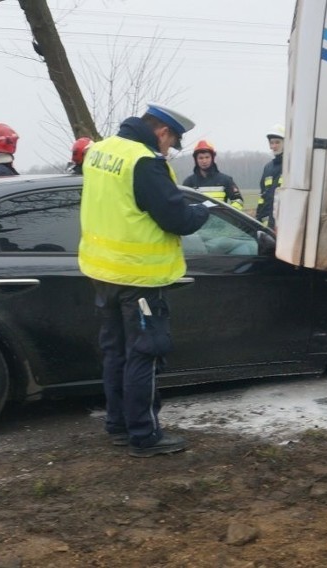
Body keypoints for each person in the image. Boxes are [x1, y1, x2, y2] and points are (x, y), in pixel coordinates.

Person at [78, 102, 210, 458]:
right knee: (145, 354)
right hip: (138, 277)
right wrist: (201, 212)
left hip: (102, 273)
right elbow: (176, 218)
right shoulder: (144, 161)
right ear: (163, 132)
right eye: (172, 142)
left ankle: (118, 426)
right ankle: (144, 434)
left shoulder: (99, 151)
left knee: (116, 353)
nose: (169, 150)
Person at [182, 140, 244, 210]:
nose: (204, 161)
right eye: (201, 158)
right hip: (198, 220)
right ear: (196, 160)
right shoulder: (189, 182)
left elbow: (238, 201)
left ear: (212, 158)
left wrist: (228, 215)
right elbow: (183, 206)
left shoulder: (225, 180)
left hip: (219, 220)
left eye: (207, 157)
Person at [257, 124, 284, 229]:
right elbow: (262, 196)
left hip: (284, 223)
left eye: (277, 142)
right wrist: (258, 218)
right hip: (267, 224)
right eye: (271, 143)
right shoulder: (268, 168)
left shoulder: (291, 166)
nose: (273, 146)